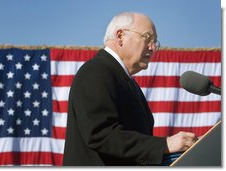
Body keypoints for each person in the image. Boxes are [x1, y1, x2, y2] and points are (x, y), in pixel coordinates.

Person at [63, 12, 197, 166]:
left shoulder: (127, 81)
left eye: (155, 42)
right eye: (147, 38)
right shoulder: (97, 71)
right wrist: (164, 145)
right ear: (120, 36)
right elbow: (100, 134)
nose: (153, 48)